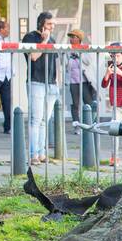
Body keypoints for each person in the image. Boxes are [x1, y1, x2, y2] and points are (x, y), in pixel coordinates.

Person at [22, 12, 57, 165]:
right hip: (36, 82)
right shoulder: (30, 37)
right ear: (42, 24)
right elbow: (34, 56)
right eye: (49, 24)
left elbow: (56, 63)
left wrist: (57, 82)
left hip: (51, 83)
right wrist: (45, 41)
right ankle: (33, 154)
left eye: (53, 24)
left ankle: (42, 153)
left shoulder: (53, 39)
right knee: (35, 120)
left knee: (44, 120)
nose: (52, 27)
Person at [64, 29, 98, 130]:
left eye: (73, 37)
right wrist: (71, 58)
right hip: (73, 81)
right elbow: (65, 64)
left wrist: (79, 54)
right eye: (70, 37)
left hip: (84, 81)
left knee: (88, 102)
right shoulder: (67, 49)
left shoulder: (85, 48)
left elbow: (88, 61)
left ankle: (91, 124)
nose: (71, 39)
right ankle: (76, 125)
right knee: (75, 103)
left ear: (79, 38)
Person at [101, 42, 122, 122]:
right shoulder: (111, 67)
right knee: (114, 127)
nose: (115, 59)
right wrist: (107, 74)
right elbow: (104, 85)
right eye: (112, 56)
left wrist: (121, 73)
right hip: (117, 105)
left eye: (117, 56)